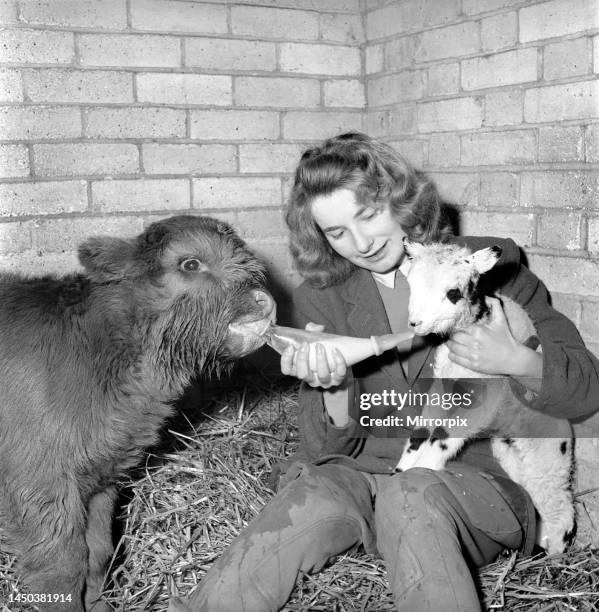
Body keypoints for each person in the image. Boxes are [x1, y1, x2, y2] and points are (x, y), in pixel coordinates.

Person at [169, 132, 599, 612]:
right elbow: (322, 451)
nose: (361, 243)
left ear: (399, 200)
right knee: (309, 495)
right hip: (366, 476)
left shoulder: (491, 271)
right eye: (336, 233)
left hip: (470, 485)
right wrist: (332, 390)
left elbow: (585, 391)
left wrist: (517, 361)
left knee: (411, 495)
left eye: (368, 215)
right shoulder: (324, 296)